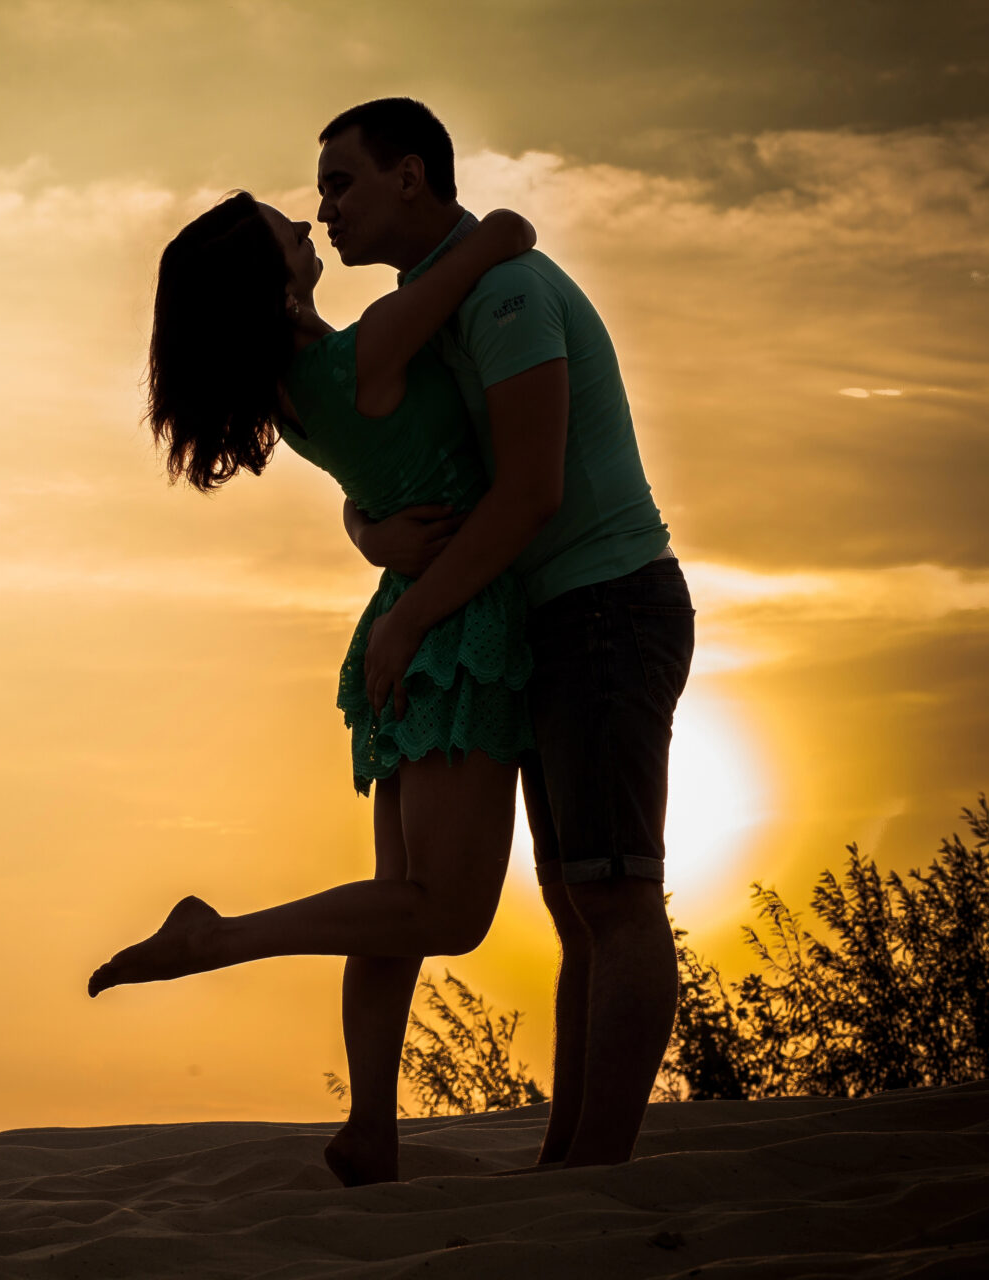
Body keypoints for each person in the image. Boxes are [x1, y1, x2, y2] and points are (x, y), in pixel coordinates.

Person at [87, 191, 542, 1186]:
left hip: (405, 618)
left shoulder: (293, 388)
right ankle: (220, 937)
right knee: (445, 912)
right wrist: (491, 234)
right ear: (269, 276)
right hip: (455, 625)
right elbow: (504, 236)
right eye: (283, 227)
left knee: (394, 904)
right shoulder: (367, 348)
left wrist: (367, 531)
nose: (306, 223)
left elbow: (363, 482)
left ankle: (371, 1126)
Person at [318, 97, 694, 1170]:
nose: (327, 208)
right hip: (538, 619)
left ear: (409, 175)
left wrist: (411, 625)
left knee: (616, 895)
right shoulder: (436, 310)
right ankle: (569, 1168)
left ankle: (595, 1179)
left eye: (342, 181)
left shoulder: (509, 293)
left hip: (607, 601)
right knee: (576, 903)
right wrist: (368, 529)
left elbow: (528, 491)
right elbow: (386, 471)